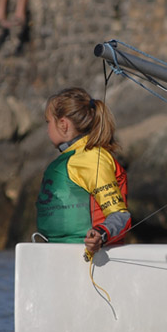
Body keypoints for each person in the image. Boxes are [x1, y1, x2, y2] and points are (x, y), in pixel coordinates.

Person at [35, 87, 131, 257]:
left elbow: (120, 215)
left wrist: (100, 235)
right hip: (58, 254)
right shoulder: (70, 158)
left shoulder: (92, 158)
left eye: (48, 122)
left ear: (63, 124)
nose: (46, 129)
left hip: (89, 258)